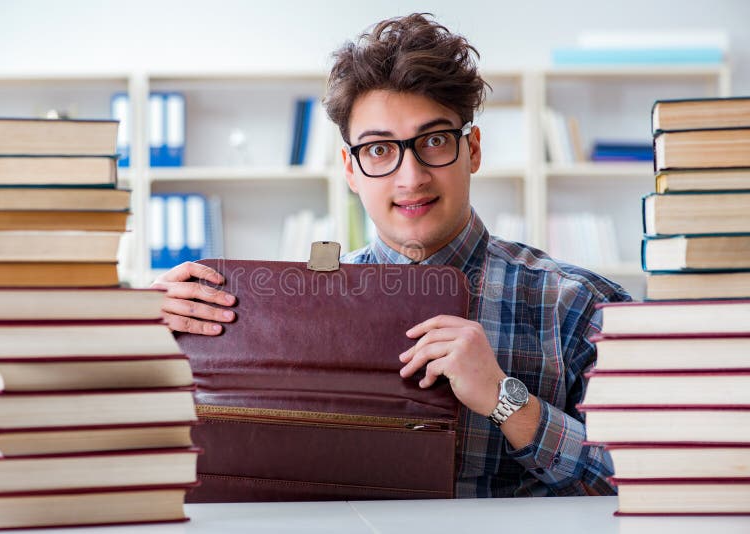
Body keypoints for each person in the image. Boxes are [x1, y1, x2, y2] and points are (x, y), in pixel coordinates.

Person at [151, 13, 632, 498]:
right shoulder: (287, 309)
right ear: (350, 169)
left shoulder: (581, 304)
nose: (411, 178)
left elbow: (642, 479)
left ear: (474, 150)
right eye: (380, 149)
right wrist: (138, 348)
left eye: (435, 141)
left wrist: (504, 398)